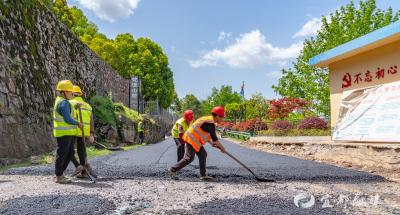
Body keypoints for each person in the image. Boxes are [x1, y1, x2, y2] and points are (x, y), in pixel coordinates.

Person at [168, 106, 227, 180]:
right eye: (222, 117)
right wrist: (223, 148)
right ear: (218, 116)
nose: (222, 119)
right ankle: (172, 169)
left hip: (195, 141)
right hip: (191, 139)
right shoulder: (210, 123)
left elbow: (203, 134)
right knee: (189, 158)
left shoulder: (209, 120)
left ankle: (203, 175)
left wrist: (211, 143)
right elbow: (215, 139)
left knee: (203, 154)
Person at [53, 80, 83, 184]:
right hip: (64, 134)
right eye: (70, 92)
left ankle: (60, 173)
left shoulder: (61, 101)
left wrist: (74, 107)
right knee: (62, 154)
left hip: (66, 133)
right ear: (63, 92)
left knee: (69, 153)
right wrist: (78, 123)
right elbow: (67, 119)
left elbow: (65, 112)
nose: (72, 93)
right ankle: (59, 175)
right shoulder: (63, 103)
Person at [69, 85, 95, 178]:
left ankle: (78, 166)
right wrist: (92, 134)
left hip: (73, 130)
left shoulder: (70, 103)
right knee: (82, 151)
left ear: (72, 93)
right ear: (80, 94)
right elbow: (91, 121)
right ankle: (83, 171)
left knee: (68, 150)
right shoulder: (88, 106)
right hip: (84, 131)